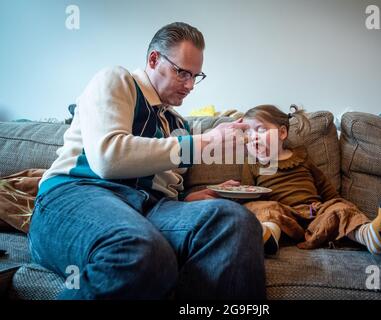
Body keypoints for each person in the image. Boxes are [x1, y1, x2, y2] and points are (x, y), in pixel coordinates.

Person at [28, 22, 266, 300]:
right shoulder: (117, 80)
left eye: (195, 76)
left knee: (235, 222)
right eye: (182, 73)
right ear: (154, 59)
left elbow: (168, 192)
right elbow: (109, 158)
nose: (190, 85)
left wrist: (195, 198)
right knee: (141, 250)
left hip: (149, 208)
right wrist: (203, 143)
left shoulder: (177, 124)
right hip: (77, 193)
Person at [240, 104, 381, 256]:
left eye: (260, 130)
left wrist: (338, 205)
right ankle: (267, 237)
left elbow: (327, 190)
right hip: (284, 218)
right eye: (247, 133)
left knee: (340, 208)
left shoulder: (302, 158)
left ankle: (370, 237)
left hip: (315, 213)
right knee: (258, 207)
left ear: (282, 133)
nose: (253, 138)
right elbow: (246, 193)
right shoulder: (252, 164)